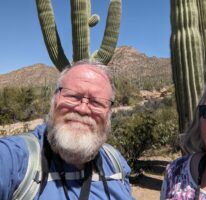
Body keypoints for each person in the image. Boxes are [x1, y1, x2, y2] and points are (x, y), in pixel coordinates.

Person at [0, 60, 133, 200]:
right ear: (54, 99)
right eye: (73, 96)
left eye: (97, 102)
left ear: (109, 112)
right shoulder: (14, 159)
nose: (82, 109)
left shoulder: (115, 163)